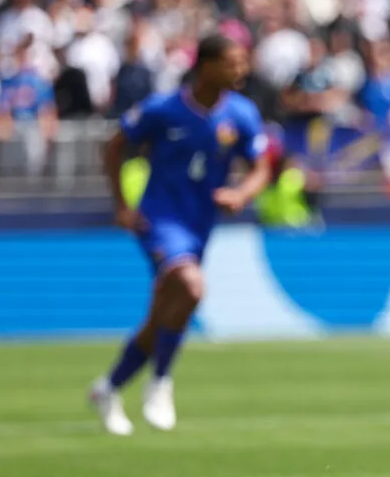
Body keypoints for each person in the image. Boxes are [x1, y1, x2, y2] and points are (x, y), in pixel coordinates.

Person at [87, 36, 271, 435]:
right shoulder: (162, 109)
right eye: (232, 62)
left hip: (200, 226)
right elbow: (114, 146)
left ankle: (108, 387)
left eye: (243, 62)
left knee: (161, 320)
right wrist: (121, 205)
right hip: (160, 220)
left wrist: (241, 193)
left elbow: (261, 168)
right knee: (191, 287)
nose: (241, 70)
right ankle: (161, 383)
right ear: (205, 66)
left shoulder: (241, 114)